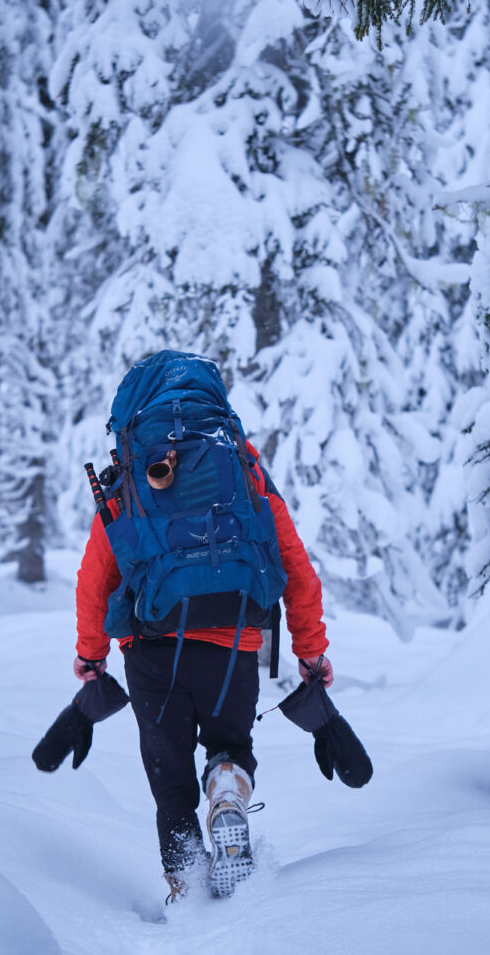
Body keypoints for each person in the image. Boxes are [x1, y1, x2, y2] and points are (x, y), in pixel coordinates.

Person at [72, 352, 334, 901]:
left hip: (151, 650)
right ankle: (228, 788)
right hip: (233, 639)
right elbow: (293, 561)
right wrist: (311, 650)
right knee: (229, 744)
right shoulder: (241, 466)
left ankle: (187, 889)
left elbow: (96, 577)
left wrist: (92, 655)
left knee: (171, 786)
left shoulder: (131, 473)